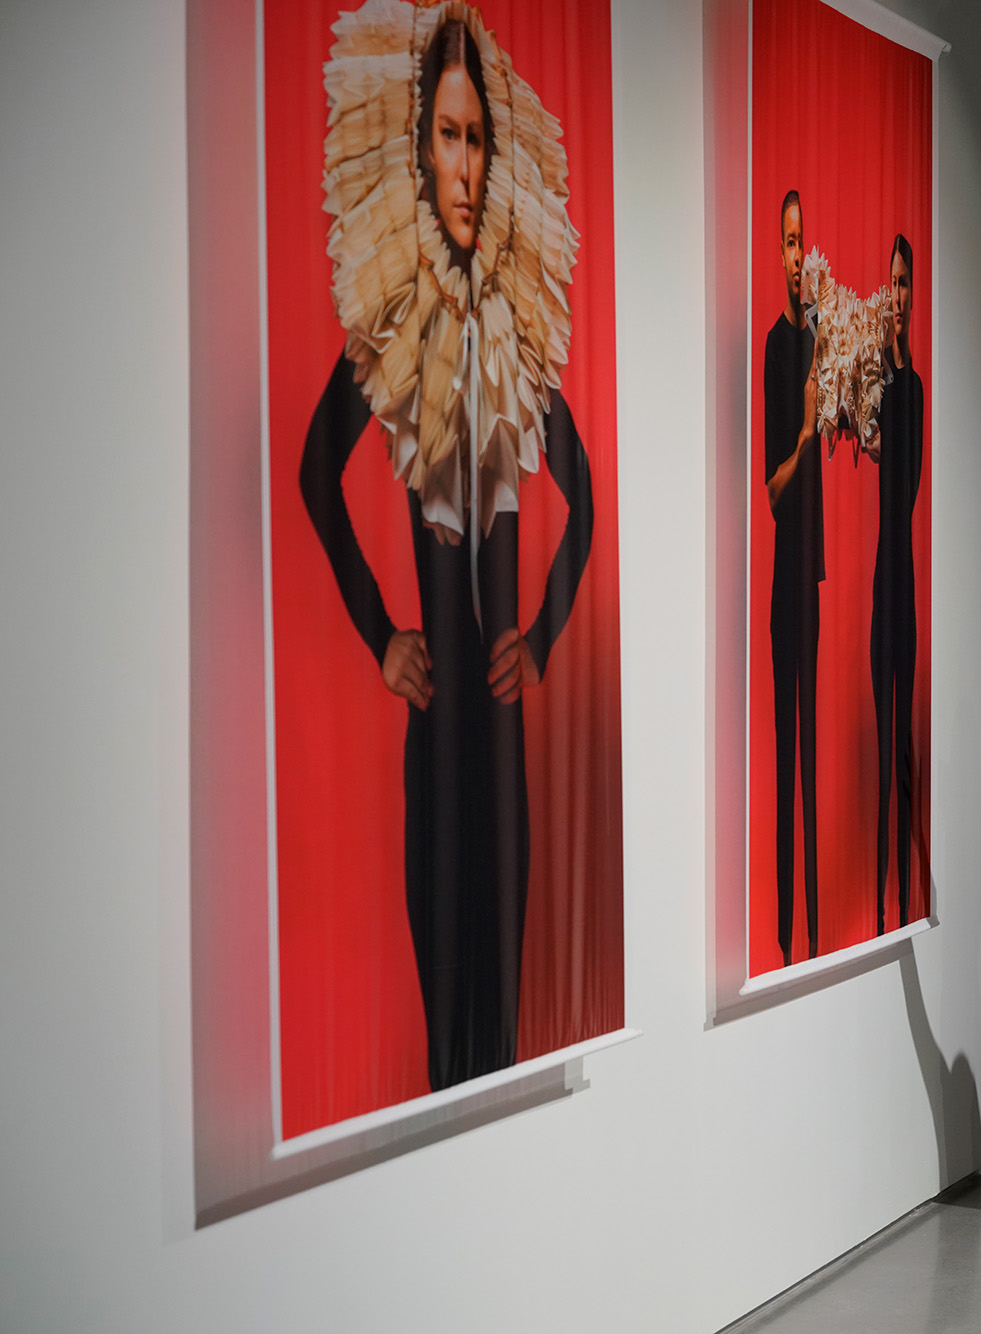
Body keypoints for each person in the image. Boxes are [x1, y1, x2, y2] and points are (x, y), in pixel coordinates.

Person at [301, 6, 593, 1091]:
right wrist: (382, 634)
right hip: (437, 744)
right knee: (444, 1057)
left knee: (502, 1046)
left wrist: (545, 635)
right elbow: (311, 480)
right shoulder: (389, 325)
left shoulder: (518, 340)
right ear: (416, 147)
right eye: (448, 136)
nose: (464, 166)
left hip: (505, 752)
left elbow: (589, 505)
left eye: (478, 140)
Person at [765, 190, 823, 963]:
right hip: (782, 579)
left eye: (804, 242)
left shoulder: (816, 342)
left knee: (812, 752)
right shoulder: (778, 348)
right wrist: (809, 431)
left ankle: (812, 938)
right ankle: (784, 936)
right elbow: (774, 491)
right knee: (786, 753)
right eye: (788, 241)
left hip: (811, 575)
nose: (798, 255)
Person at [862, 235, 924, 933]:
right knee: (884, 738)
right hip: (886, 575)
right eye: (893, 285)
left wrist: (884, 447)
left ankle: (901, 901)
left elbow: (906, 490)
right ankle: (885, 903)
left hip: (902, 576)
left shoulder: (911, 385)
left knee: (902, 737)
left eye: (906, 284)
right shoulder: (879, 380)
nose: (899, 297)